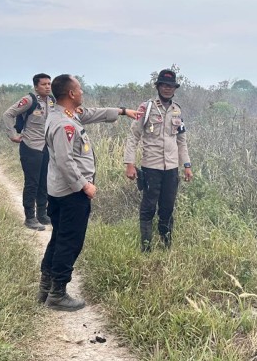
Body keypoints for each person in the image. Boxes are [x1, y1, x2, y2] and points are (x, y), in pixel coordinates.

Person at [38, 74, 137, 311]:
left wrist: (123, 111)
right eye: (79, 89)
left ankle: (46, 287)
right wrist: (84, 185)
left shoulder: (64, 114)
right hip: (71, 193)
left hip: (59, 191)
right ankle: (58, 294)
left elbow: (92, 113)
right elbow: (65, 161)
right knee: (70, 241)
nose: (82, 92)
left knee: (59, 237)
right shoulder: (64, 124)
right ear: (71, 94)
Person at [124, 69, 193, 251]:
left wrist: (187, 165)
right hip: (151, 167)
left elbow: (181, 141)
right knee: (148, 208)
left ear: (175, 89)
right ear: (158, 87)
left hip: (171, 169)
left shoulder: (177, 110)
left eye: (171, 86)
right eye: (164, 85)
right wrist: (129, 164)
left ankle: (166, 245)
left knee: (167, 208)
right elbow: (133, 136)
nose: (167, 89)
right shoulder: (146, 108)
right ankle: (146, 248)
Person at [3, 74, 55, 230]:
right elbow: (8, 114)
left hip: (46, 147)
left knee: (44, 182)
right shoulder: (29, 100)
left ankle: (42, 214)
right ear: (36, 87)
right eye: (44, 84)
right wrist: (12, 134)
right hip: (31, 146)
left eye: (49, 83)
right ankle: (30, 217)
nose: (47, 86)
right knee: (32, 183)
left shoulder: (51, 101)